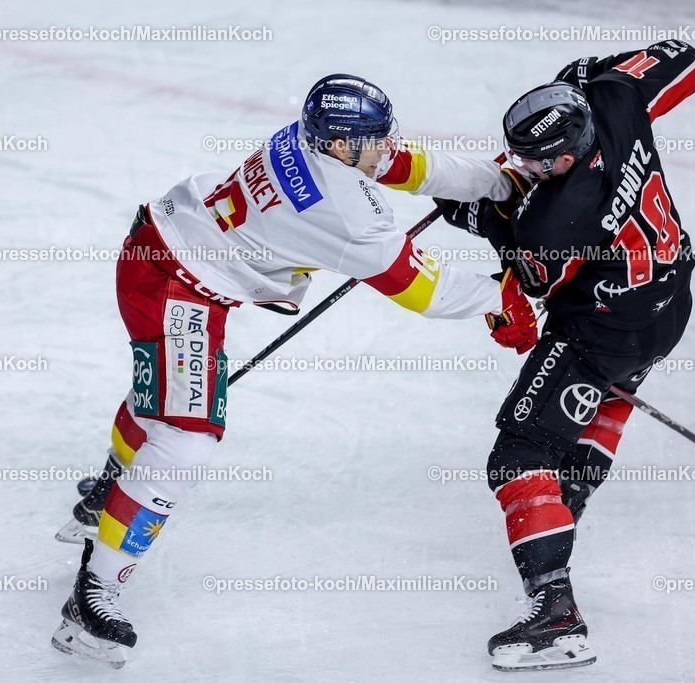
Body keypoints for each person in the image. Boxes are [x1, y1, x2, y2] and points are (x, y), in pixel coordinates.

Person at [50, 74, 538, 668]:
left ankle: (104, 496)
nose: (386, 146)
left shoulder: (313, 140)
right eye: (373, 139)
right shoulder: (344, 210)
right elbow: (421, 288)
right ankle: (91, 599)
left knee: (160, 399)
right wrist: (502, 298)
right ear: (339, 145)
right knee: (185, 440)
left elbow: (407, 165)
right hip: (178, 288)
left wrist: (499, 181)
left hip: (159, 245)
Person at [437, 40, 695, 671]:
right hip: (669, 301)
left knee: (517, 455)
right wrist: (592, 73)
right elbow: (687, 57)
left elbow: (531, 283)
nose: (519, 167)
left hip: (603, 330)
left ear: (562, 158)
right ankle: (566, 499)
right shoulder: (613, 99)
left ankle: (556, 615)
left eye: (532, 163)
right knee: (608, 394)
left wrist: (472, 213)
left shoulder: (554, 221)